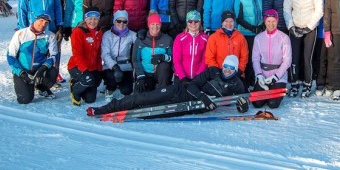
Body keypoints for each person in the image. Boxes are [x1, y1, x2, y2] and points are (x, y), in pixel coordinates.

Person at [86, 55, 248, 117]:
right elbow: (192, 86)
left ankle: (125, 113)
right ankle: (105, 109)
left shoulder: (236, 83)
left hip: (190, 106)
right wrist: (203, 97)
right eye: (226, 66)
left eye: (231, 68)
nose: (227, 70)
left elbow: (243, 103)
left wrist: (242, 107)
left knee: (151, 111)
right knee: (145, 98)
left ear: (235, 70)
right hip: (179, 91)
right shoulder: (213, 71)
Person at [17, 0, 64, 83]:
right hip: (33, 30)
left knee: (53, 53)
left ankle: (51, 78)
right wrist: (23, 29)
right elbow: (21, 10)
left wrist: (60, 25)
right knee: (34, 53)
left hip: (51, 28)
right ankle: (30, 76)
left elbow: (58, 8)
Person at [283, 0, 323, 98]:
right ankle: (294, 83)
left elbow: (319, 10)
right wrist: (291, 26)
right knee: (294, 58)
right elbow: (286, 9)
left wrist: (309, 27)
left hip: (309, 29)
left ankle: (307, 83)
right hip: (295, 27)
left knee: (307, 58)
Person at [7, 13, 59, 103]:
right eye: (41, 21)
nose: (43, 24)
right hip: (23, 70)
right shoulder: (20, 34)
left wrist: (44, 67)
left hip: (39, 69)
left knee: (53, 71)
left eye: (46, 22)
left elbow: (54, 54)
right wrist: (21, 73)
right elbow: (10, 56)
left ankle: (41, 86)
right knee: (25, 100)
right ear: (34, 20)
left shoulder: (50, 36)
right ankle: (28, 84)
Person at [252, 10, 291, 108]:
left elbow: (287, 60)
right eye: (268, 21)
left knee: (272, 104)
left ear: (277, 21)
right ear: (264, 22)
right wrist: (259, 75)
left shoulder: (284, 37)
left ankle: (275, 91)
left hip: (278, 77)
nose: (271, 24)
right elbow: (255, 59)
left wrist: (276, 76)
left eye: (273, 21)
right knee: (257, 103)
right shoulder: (258, 38)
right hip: (263, 76)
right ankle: (266, 91)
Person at [68, 7, 104, 106]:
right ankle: (75, 89)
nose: (93, 21)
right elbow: (77, 54)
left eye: (96, 18)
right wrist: (85, 70)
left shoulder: (99, 32)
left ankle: (82, 83)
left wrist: (99, 70)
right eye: (90, 18)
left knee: (90, 99)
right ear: (85, 19)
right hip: (76, 66)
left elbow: (98, 53)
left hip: (92, 67)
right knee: (88, 80)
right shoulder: (78, 32)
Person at [234, 0, 264, 87]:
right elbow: (239, 18)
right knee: (246, 58)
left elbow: (264, 13)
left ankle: (254, 80)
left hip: (259, 32)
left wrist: (261, 26)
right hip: (246, 33)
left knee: (256, 58)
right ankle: (245, 82)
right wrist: (252, 28)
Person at [101, 10, 137, 101]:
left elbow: (141, 42)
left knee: (127, 91)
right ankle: (110, 89)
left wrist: (143, 34)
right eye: (119, 21)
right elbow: (105, 54)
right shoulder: (107, 35)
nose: (121, 24)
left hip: (125, 65)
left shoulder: (131, 35)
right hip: (110, 66)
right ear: (114, 21)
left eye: (124, 21)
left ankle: (121, 84)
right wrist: (115, 67)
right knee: (112, 78)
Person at [133, 14, 173, 92]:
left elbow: (173, 57)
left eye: (157, 24)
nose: (155, 27)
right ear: (148, 25)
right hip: (145, 74)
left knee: (164, 65)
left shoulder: (167, 39)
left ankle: (163, 91)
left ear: (161, 25)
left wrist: (163, 57)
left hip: (160, 74)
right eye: (152, 24)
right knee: (141, 97)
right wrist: (140, 76)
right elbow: (135, 60)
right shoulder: (140, 40)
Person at [206, 10, 248, 76]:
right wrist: (216, 71)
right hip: (218, 72)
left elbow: (244, 56)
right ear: (222, 22)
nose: (228, 24)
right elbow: (209, 57)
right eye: (226, 21)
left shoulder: (240, 37)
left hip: (235, 72)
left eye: (231, 21)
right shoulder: (213, 37)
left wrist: (240, 69)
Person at [315, 0, 335, 96]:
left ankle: (330, 83)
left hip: (333, 29)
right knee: (320, 58)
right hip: (319, 28)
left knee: (332, 58)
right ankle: (320, 83)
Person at [172, 10, 208, 82]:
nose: (193, 24)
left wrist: (198, 75)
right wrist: (182, 77)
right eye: (190, 21)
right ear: (187, 22)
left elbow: (205, 59)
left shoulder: (205, 39)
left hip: (198, 77)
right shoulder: (180, 38)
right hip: (181, 76)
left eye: (196, 21)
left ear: (200, 22)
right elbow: (176, 60)